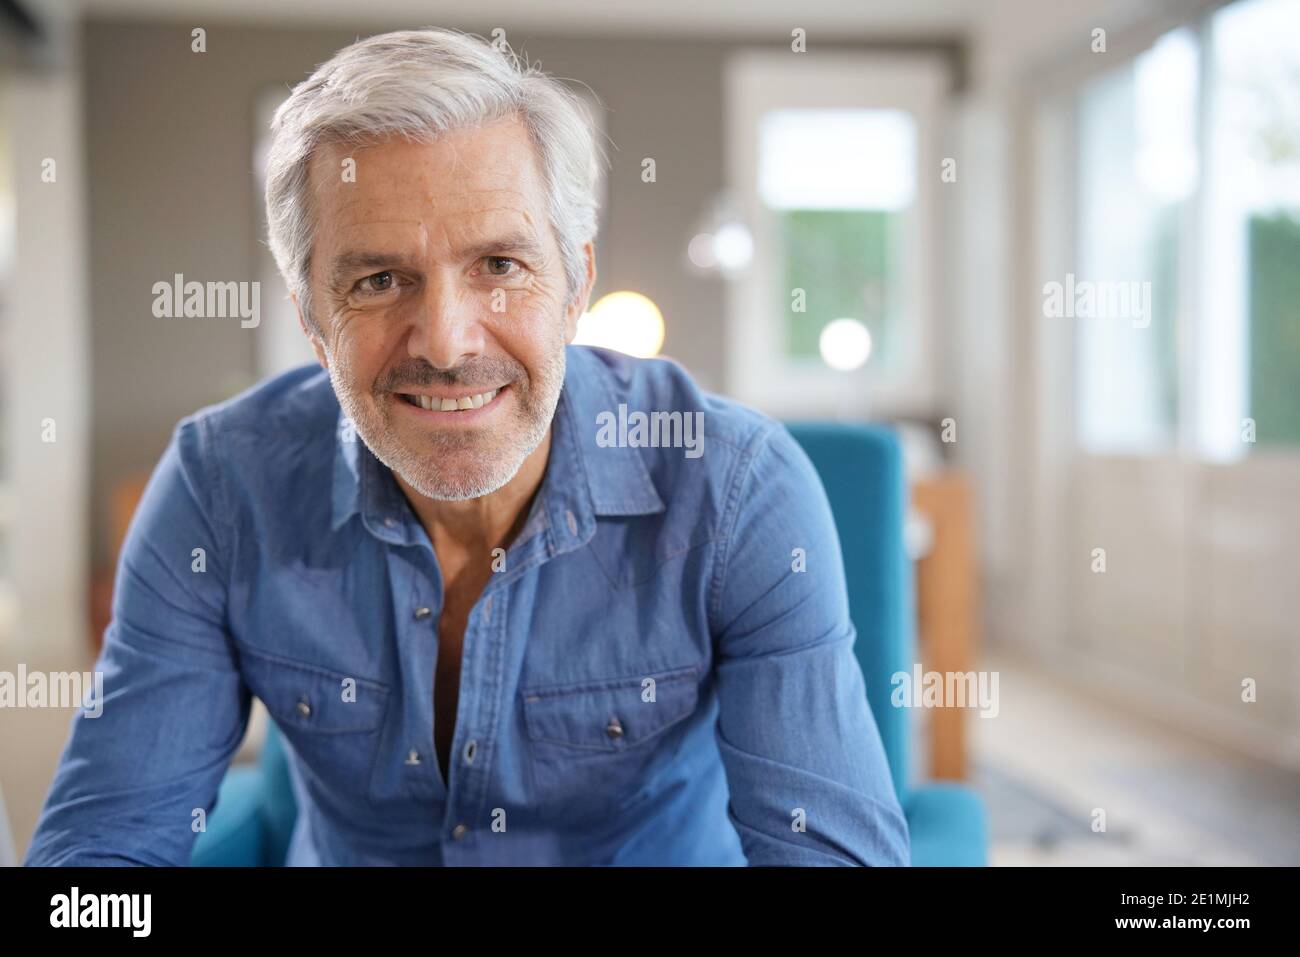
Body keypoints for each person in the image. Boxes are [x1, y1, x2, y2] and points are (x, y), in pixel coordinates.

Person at [25, 28, 908, 866]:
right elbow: (99, 859)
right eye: (378, 279)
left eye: (500, 266)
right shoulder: (220, 488)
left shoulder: (737, 489)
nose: (445, 343)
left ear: (574, 286)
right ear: (312, 320)